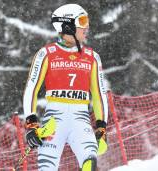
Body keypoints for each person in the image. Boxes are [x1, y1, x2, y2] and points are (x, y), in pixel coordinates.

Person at [23, 4, 108, 171]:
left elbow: (99, 95)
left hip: (80, 119)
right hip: (54, 121)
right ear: (67, 25)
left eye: (87, 21)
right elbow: (31, 89)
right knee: (46, 167)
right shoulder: (46, 53)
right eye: (82, 21)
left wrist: (101, 126)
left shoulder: (92, 57)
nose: (87, 27)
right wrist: (31, 124)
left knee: (90, 161)